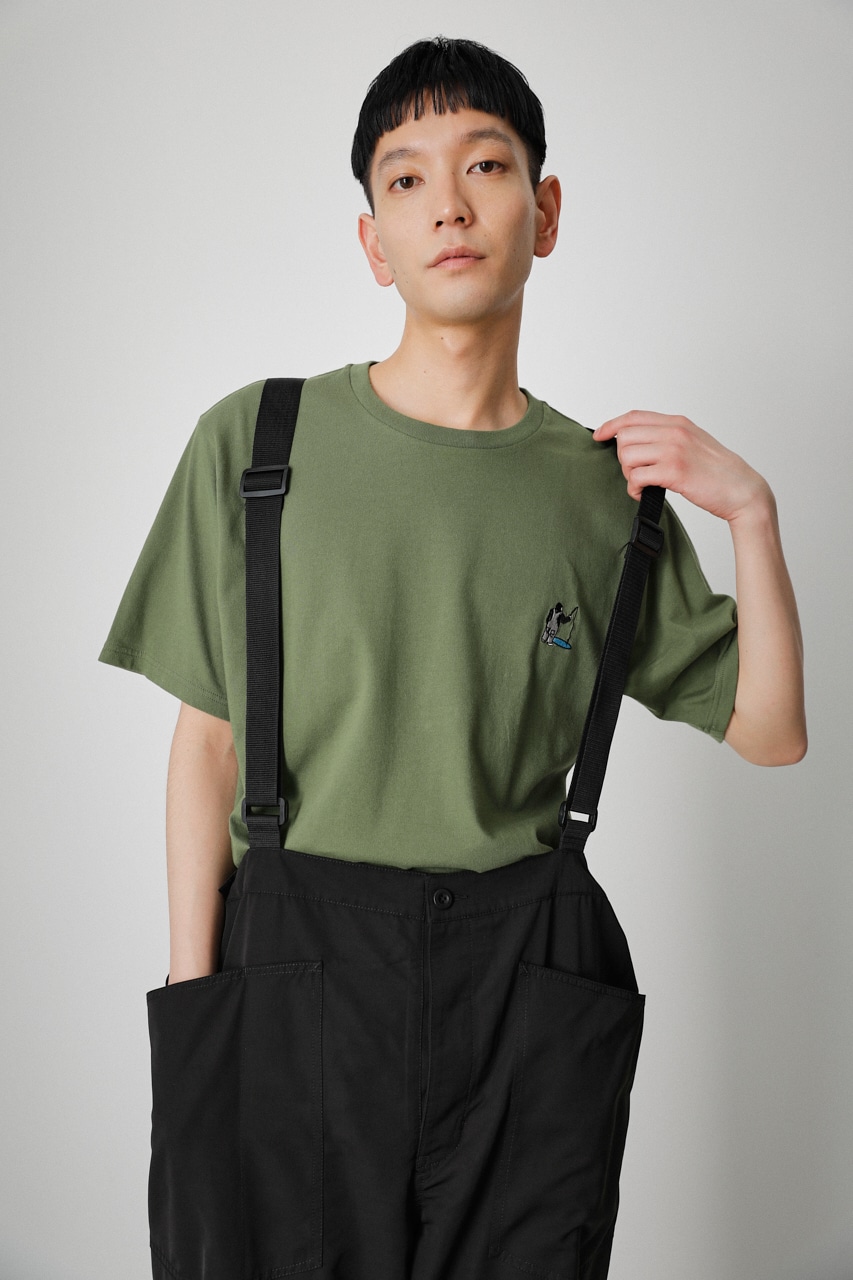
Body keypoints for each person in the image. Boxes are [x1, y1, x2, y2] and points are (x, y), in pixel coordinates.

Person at [99, 35, 806, 1280]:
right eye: (406, 178)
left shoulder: (603, 493)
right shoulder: (257, 443)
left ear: (544, 210)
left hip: (523, 980)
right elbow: (208, 740)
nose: (448, 205)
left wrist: (751, 510)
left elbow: (770, 729)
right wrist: (198, 1001)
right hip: (288, 974)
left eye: (484, 165)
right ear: (372, 240)